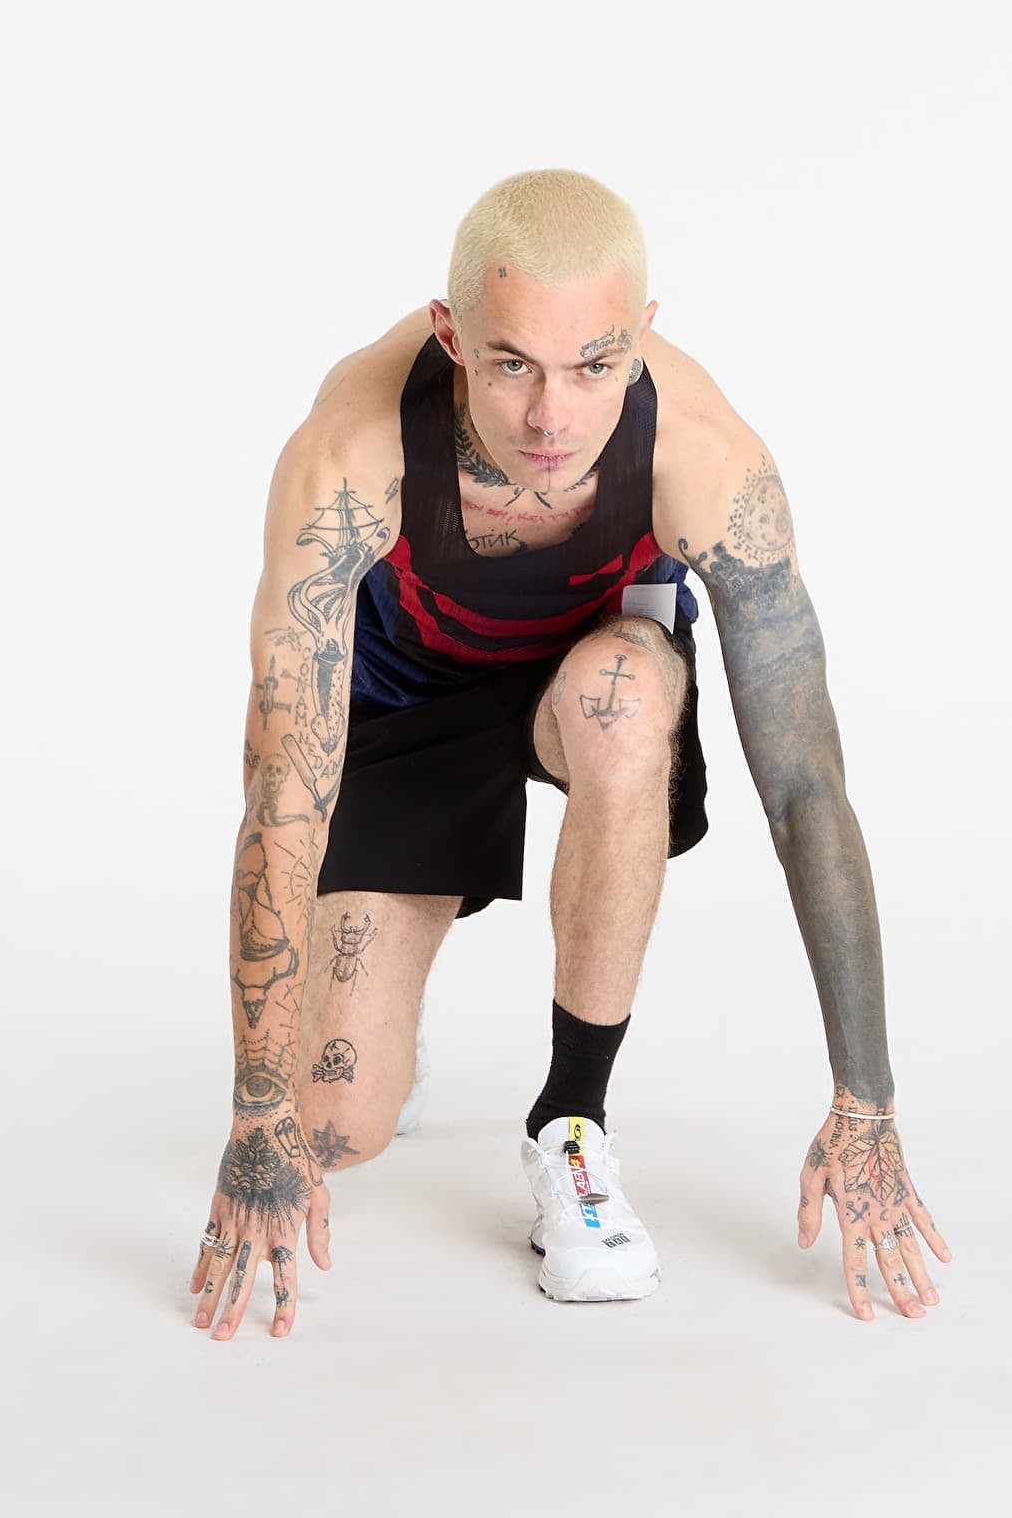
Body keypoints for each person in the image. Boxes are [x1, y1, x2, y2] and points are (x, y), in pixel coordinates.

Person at [187, 169, 950, 1339]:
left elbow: (805, 785)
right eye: (512, 365)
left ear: (642, 335)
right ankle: (395, 996)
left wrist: (868, 1101)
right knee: (333, 1126)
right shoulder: (351, 453)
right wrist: (256, 1111)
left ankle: (572, 1123)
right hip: (412, 690)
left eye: (594, 365)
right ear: (451, 336)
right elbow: (285, 781)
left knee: (622, 702)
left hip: (594, 670)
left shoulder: (704, 455)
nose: (553, 415)